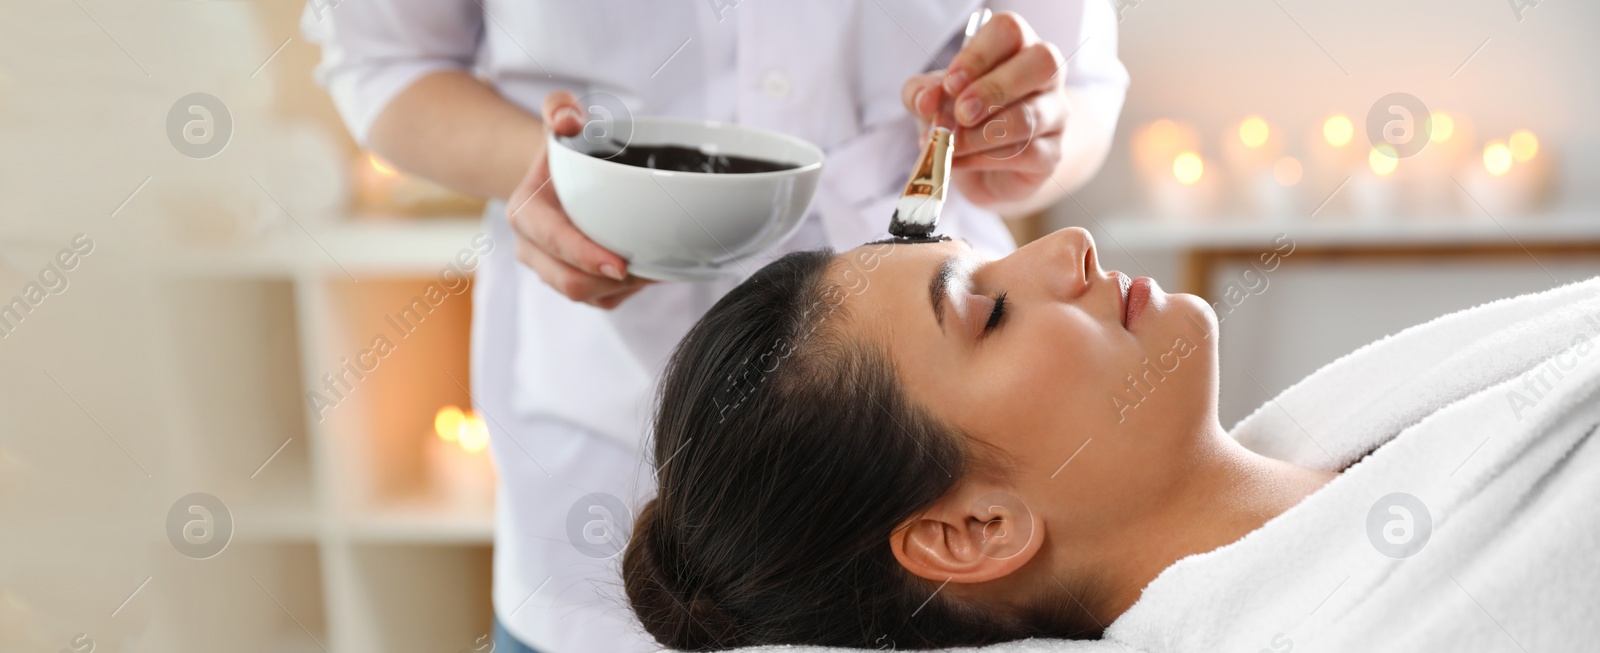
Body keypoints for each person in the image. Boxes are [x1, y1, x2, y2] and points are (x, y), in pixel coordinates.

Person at [302, 2, 1129, 652]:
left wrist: (1034, 129)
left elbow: (1081, 84)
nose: (1082, 256)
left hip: (949, 470)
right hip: (597, 442)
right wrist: (552, 174)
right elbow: (383, 59)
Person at [625, 228, 1600, 651]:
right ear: (971, 529)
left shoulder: (1341, 431)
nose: (1068, 247)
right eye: (988, 311)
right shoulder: (1388, 624)